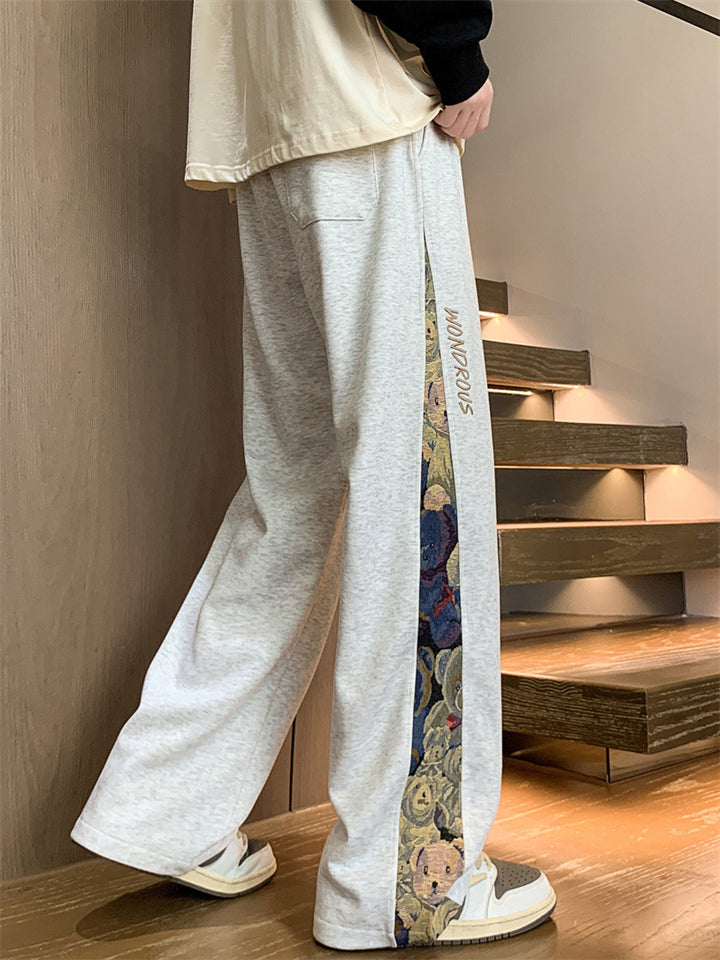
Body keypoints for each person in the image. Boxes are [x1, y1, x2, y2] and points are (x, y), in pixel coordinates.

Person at [70, 0, 557, 950]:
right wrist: (457, 49)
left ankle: (166, 809)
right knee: (421, 497)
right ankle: (408, 882)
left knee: (293, 498)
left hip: (266, 132)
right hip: (367, 110)